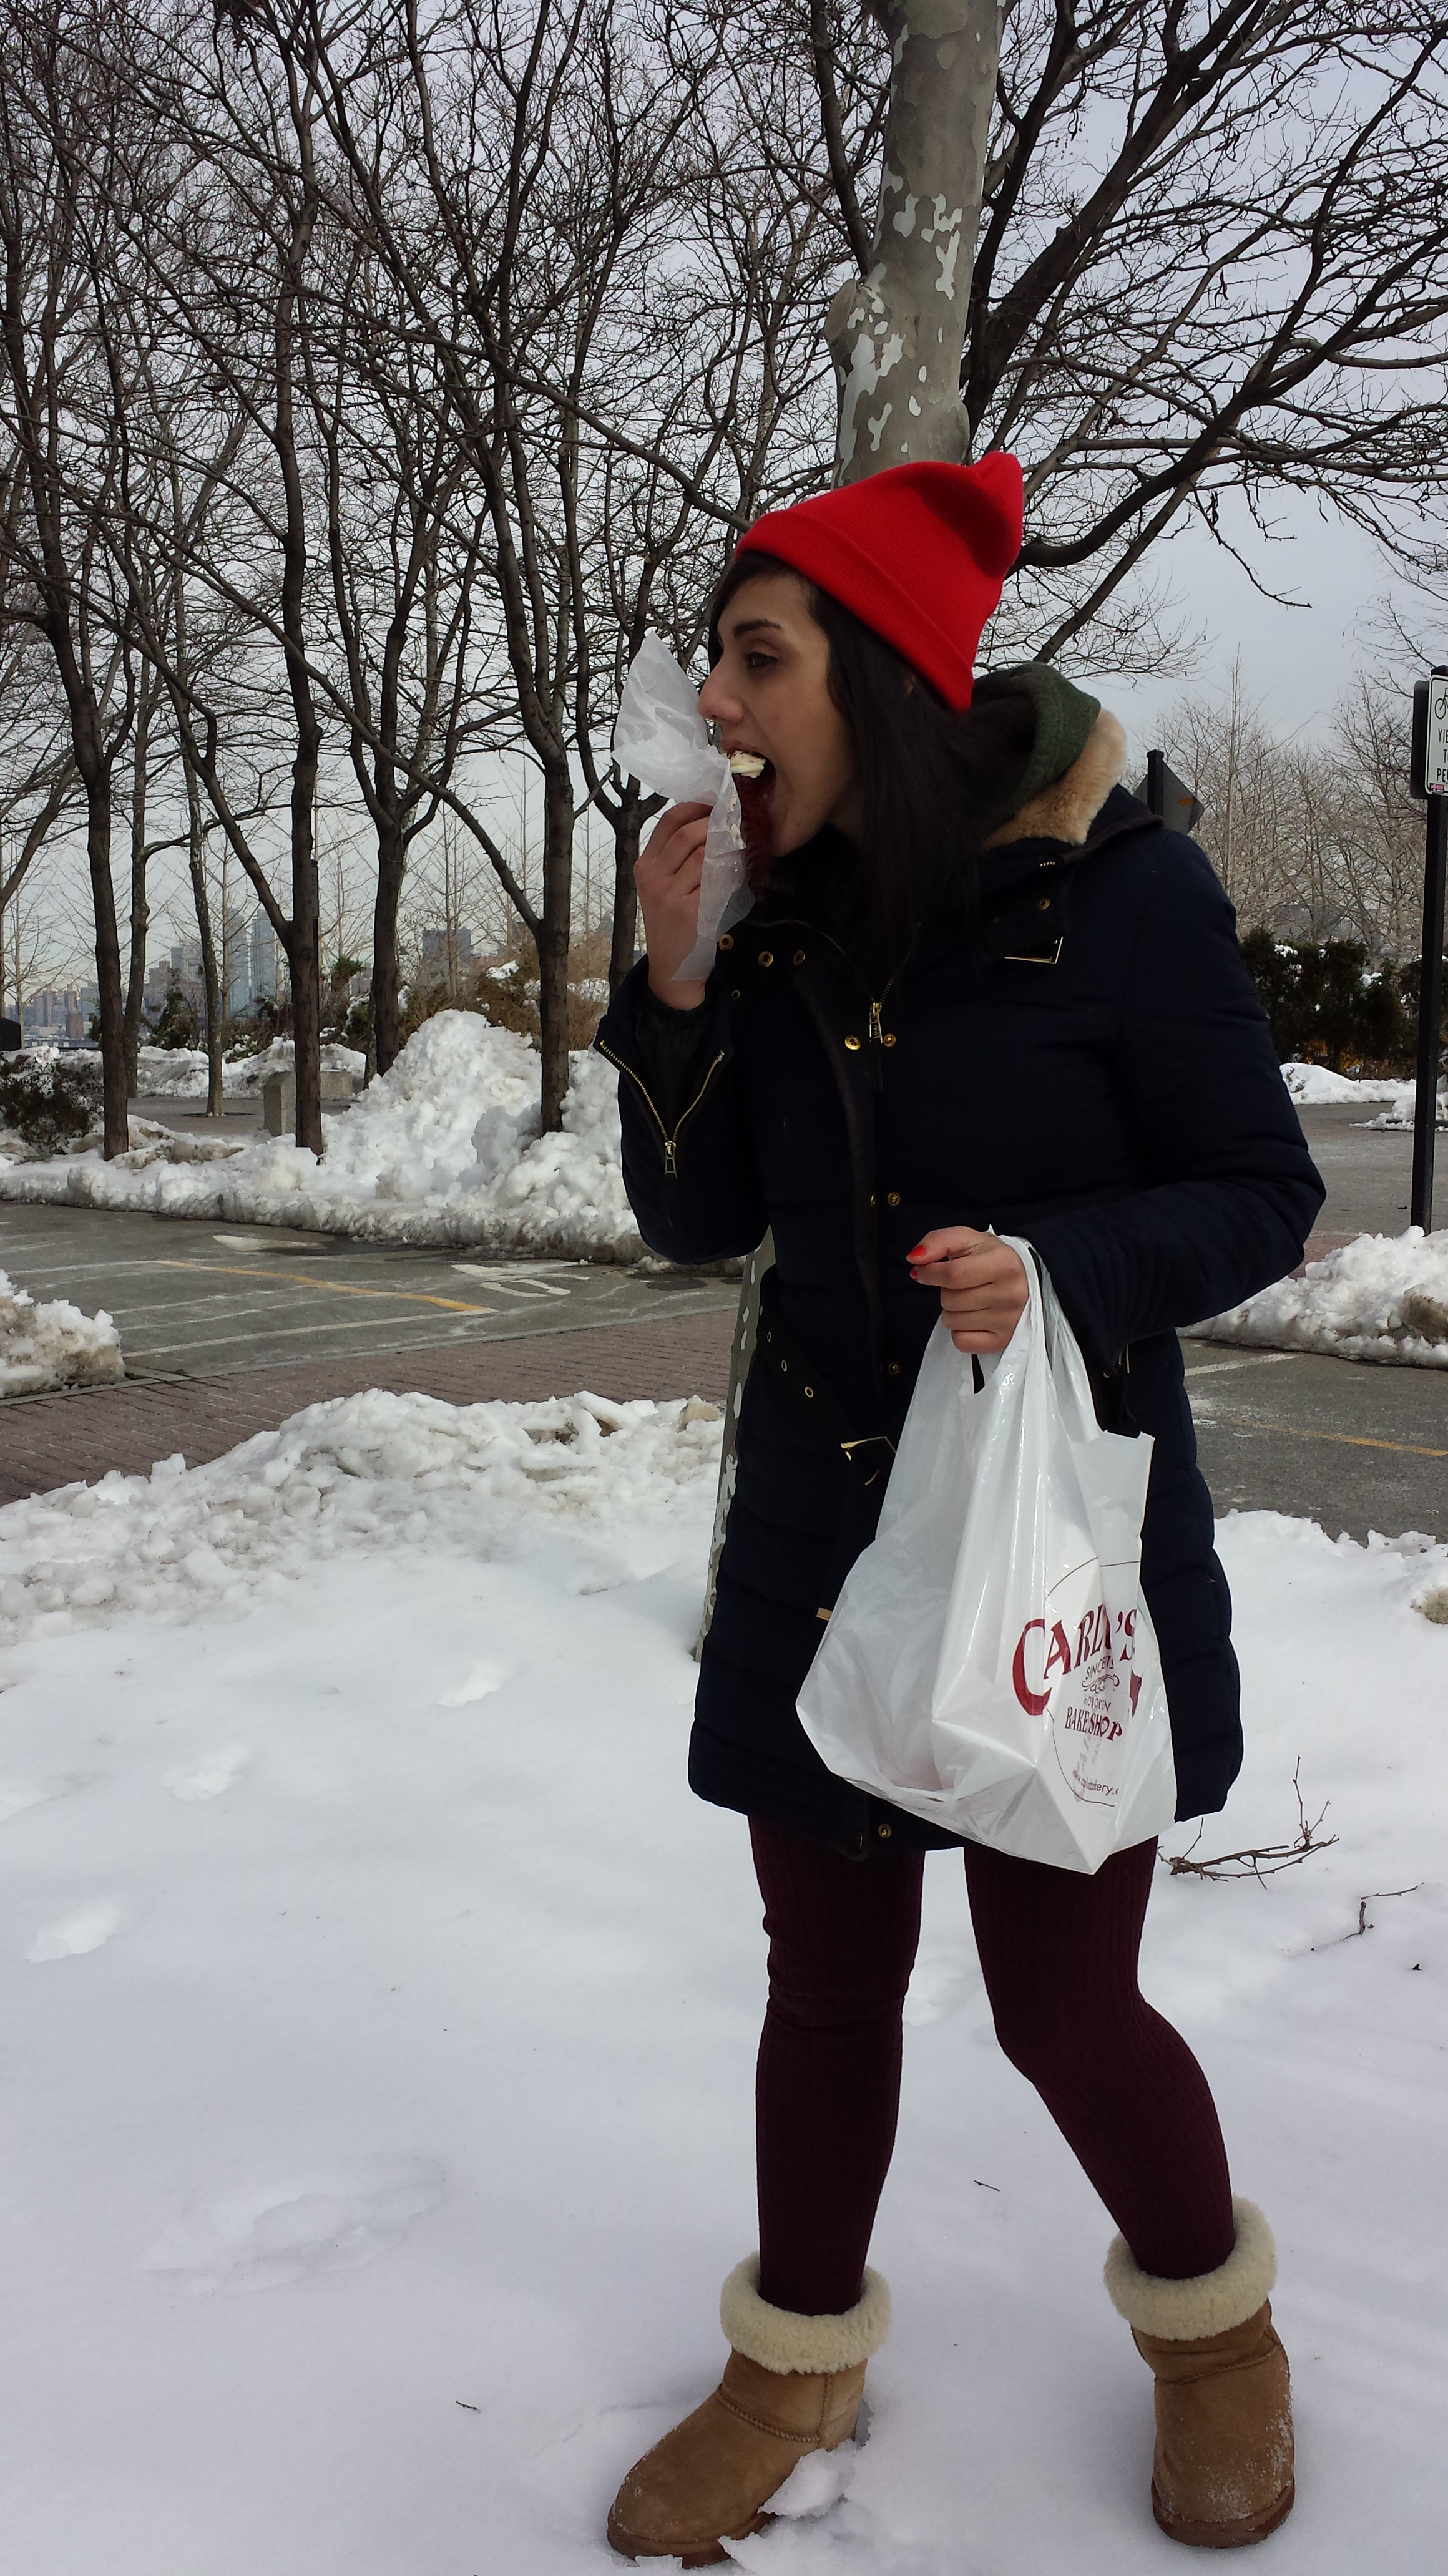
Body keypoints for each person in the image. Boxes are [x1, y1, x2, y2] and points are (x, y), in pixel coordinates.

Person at [594, 456, 1323, 2564]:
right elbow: (694, 1221)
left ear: (887, 680)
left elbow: (1262, 1192)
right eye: (716, 661)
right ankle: (794, 2360)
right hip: (824, 1551)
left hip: (1046, 1551)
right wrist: (670, 984)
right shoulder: (776, 914)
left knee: (1061, 2004)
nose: (717, 703)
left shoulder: (1126, 894)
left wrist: (1061, 1268)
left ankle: (1214, 2336)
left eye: (758, 658)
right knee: (824, 1984)